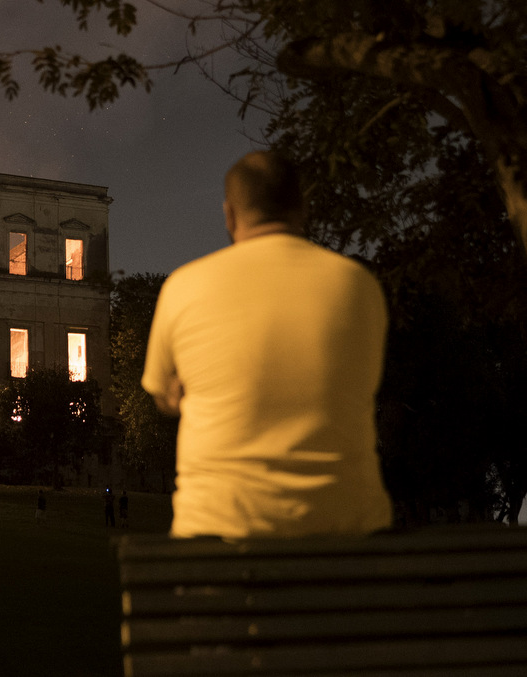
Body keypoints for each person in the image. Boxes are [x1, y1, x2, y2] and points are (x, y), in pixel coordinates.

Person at [142, 151, 392, 540]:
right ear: (302, 207)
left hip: (218, 535)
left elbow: (162, 393)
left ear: (229, 214)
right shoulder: (358, 285)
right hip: (346, 540)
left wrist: (182, 394)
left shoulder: (183, 287)